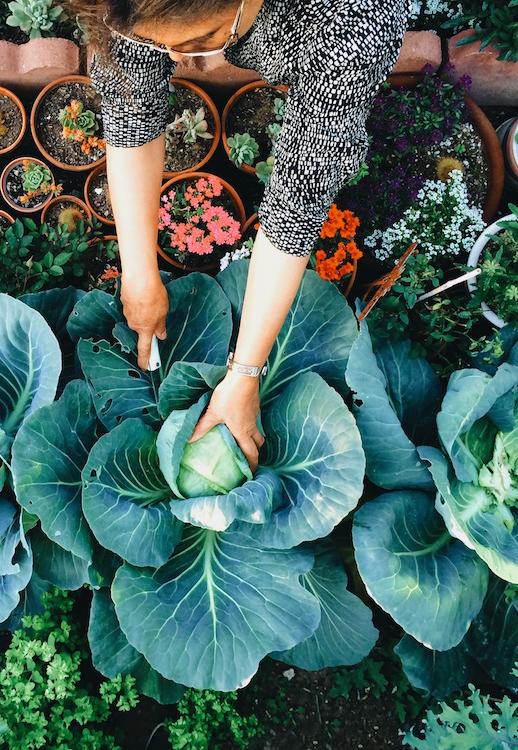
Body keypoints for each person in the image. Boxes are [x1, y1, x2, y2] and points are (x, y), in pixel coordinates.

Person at [77, 0, 408, 471]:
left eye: (195, 43)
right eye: (155, 43)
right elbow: (131, 109)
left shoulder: (353, 25)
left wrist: (246, 374)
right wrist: (139, 275)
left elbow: (298, 200)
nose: (173, 58)